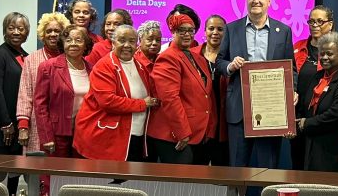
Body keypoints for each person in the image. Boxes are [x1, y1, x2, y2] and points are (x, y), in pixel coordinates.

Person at [216, 0, 297, 169]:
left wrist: (293, 91)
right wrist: (231, 66)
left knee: (268, 169)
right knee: (237, 171)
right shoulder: (231, 28)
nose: (256, 1)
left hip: (270, 110)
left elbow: (290, 68)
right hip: (239, 110)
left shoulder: (283, 31)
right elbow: (219, 62)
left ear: (269, 1)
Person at [75, 25, 158, 162]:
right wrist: (142, 104)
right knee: (108, 181)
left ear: (137, 44)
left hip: (134, 135)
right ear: (113, 43)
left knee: (130, 180)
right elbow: (108, 101)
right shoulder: (104, 66)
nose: (127, 45)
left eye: (131, 41)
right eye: (122, 40)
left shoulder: (141, 66)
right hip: (106, 136)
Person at [149, 13, 216, 164]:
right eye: (182, 30)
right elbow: (169, 98)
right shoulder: (168, 57)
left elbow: (207, 96)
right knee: (180, 187)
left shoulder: (198, 58)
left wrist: (208, 129)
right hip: (176, 135)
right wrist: (182, 133)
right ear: (173, 32)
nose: (187, 34)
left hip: (199, 134)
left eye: (191, 30)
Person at [293, 31, 338, 173]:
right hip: (311, 148)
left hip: (334, 152)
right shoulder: (318, 76)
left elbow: (335, 115)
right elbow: (305, 106)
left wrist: (305, 123)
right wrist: (294, 126)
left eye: (329, 54)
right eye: (322, 53)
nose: (324, 57)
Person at [34, 24, 93, 157]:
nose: (73, 44)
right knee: (57, 175)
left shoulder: (92, 69)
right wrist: (46, 136)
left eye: (78, 40)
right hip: (57, 133)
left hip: (84, 133)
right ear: (62, 43)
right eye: (68, 40)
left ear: (86, 45)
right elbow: (40, 105)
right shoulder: (48, 67)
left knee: (79, 174)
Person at [0, 12, 30, 194]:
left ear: (27, 33)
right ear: (4, 31)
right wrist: (6, 123)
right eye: (11, 28)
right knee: (0, 173)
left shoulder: (26, 55)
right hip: (4, 125)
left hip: (19, 124)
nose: (16, 32)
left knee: (15, 171)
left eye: (20, 28)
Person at [291, 5, 335, 168]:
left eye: (320, 21)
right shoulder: (297, 46)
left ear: (330, 24)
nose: (314, 25)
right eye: (311, 21)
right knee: (298, 164)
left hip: (322, 119)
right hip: (297, 117)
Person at [16, 12, 66, 153]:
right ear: (43, 34)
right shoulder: (31, 59)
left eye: (57, 31)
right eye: (49, 31)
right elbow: (25, 94)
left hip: (64, 125)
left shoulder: (71, 59)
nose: (53, 34)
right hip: (37, 125)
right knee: (36, 169)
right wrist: (23, 127)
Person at [196, 15, 229, 166]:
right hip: (200, 125)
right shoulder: (191, 56)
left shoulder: (232, 58)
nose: (215, 32)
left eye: (220, 29)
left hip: (225, 124)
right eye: (211, 28)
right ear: (204, 31)